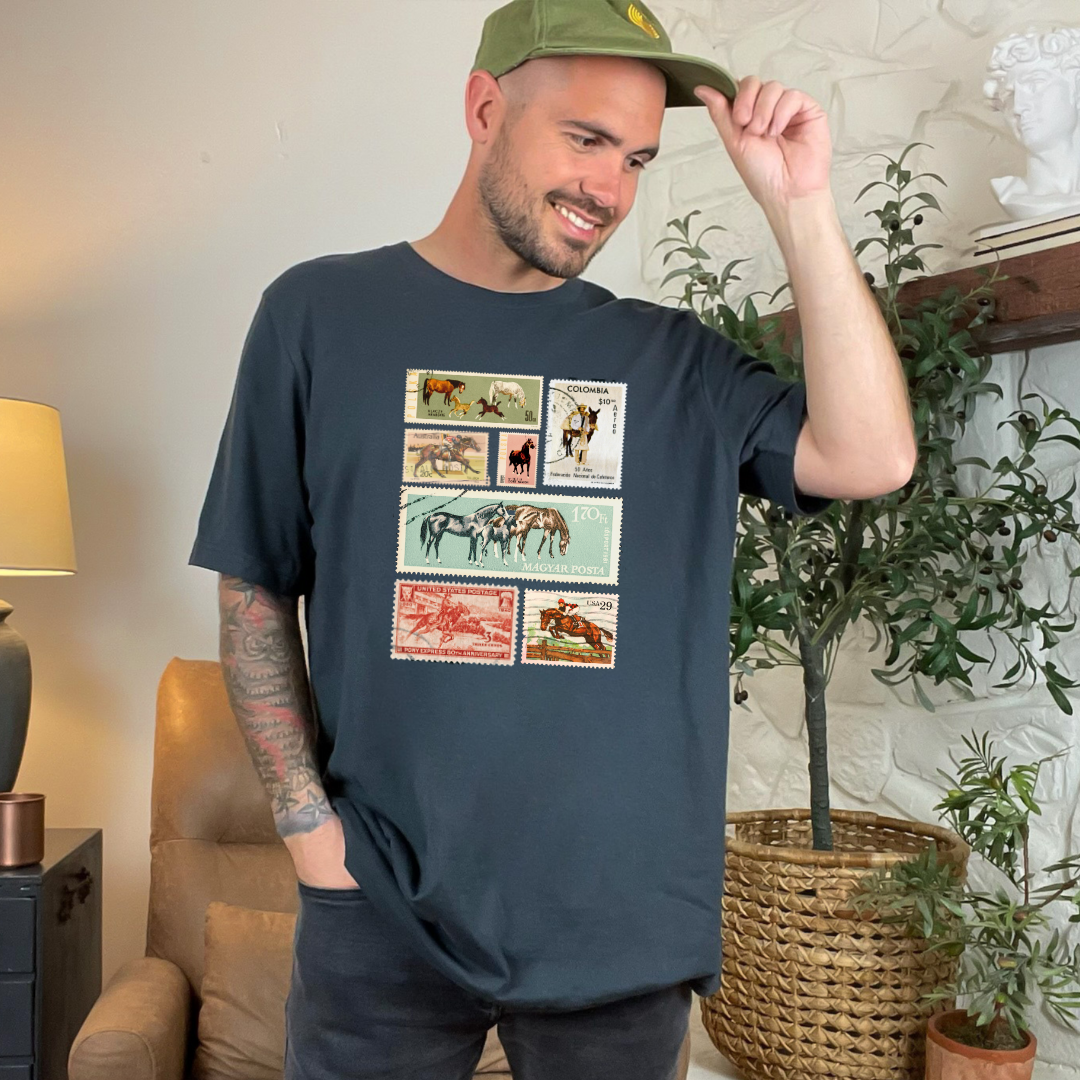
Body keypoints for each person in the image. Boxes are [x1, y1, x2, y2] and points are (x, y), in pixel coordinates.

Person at [188, 0, 917, 1077]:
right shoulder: (318, 315)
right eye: (585, 139)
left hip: (619, 922)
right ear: (485, 107)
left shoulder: (674, 362)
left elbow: (872, 458)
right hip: (380, 905)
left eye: (636, 159)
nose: (608, 189)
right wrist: (309, 832)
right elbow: (254, 583)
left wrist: (800, 204)